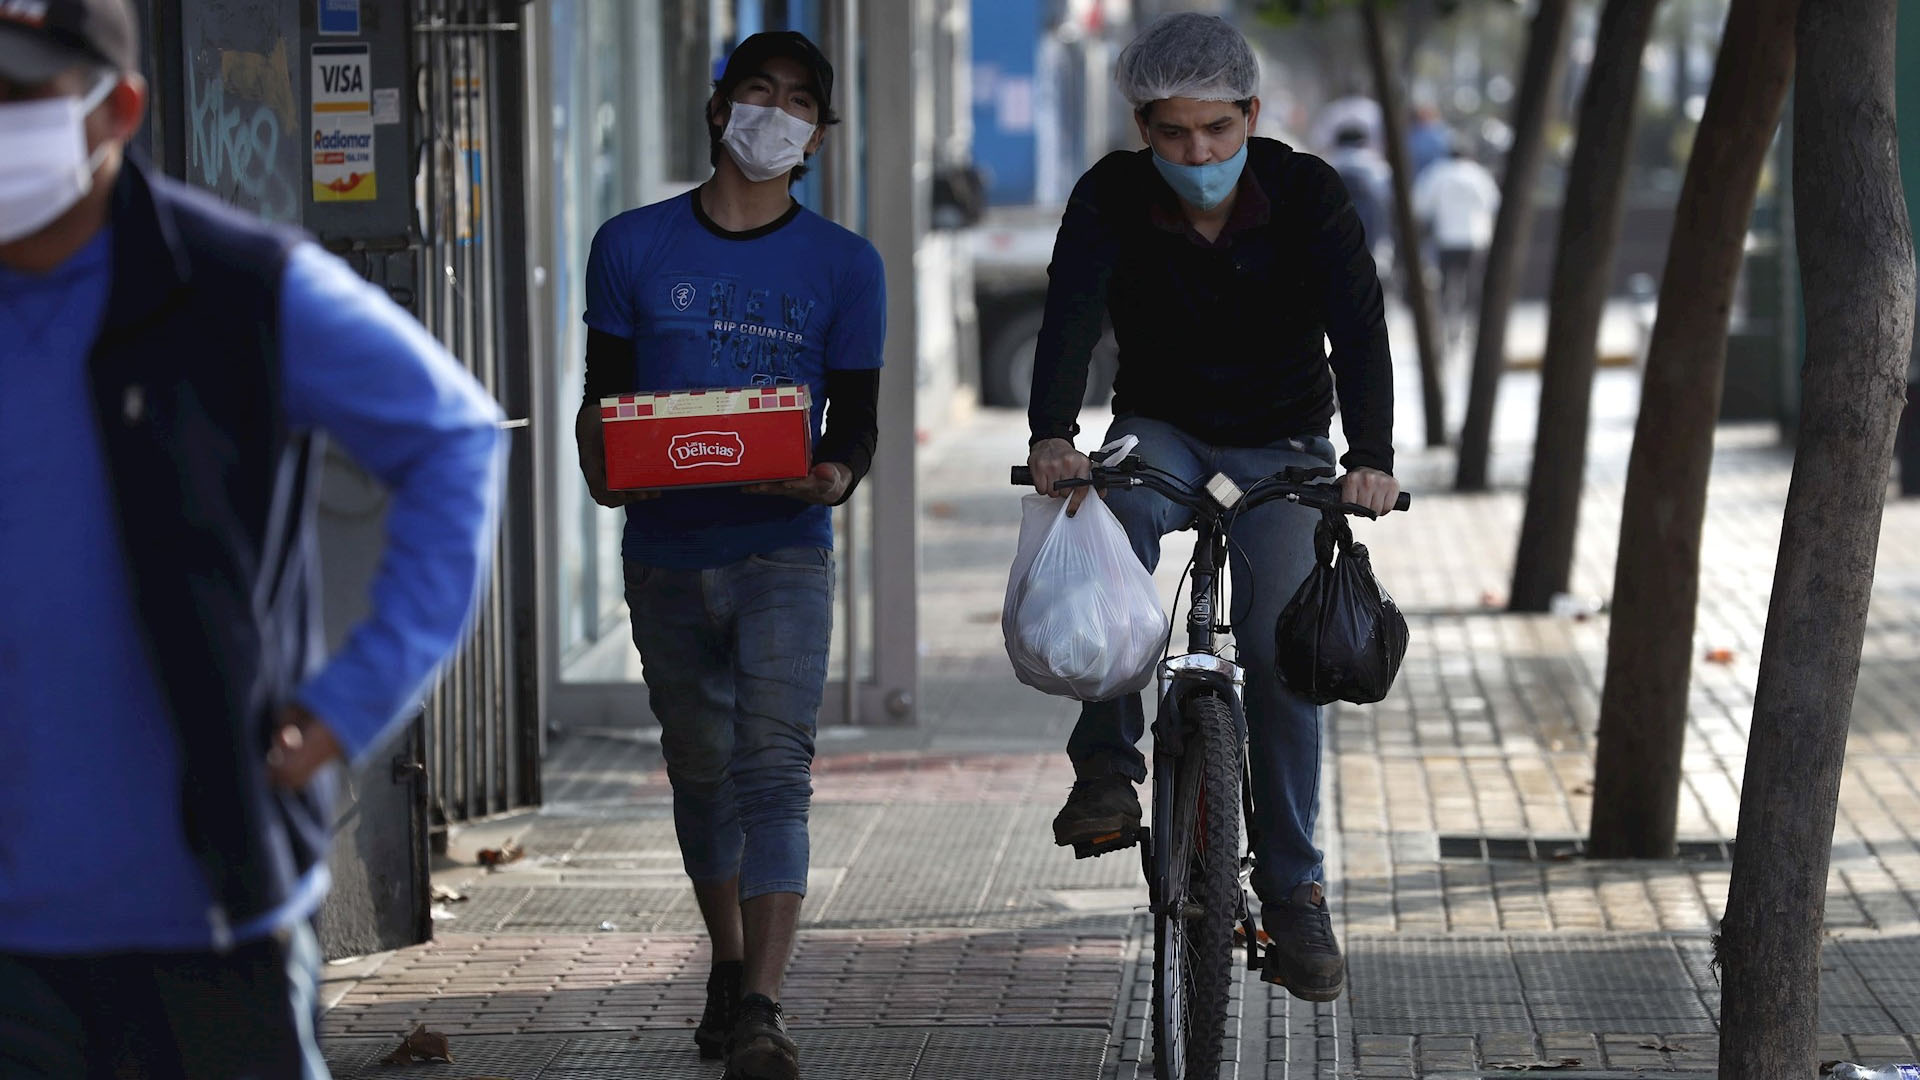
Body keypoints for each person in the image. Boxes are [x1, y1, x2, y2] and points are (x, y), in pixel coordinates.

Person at [0, 0, 506, 1075]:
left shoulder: (234, 287)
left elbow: (455, 440)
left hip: (206, 908)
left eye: (18, 94)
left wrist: (352, 700)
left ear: (118, 108)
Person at [1024, 12, 1399, 1004]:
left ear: (1252, 115)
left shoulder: (1309, 193)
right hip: (1163, 426)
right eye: (1174, 134)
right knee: (1109, 541)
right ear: (1143, 129)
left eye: (1218, 130)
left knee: (1282, 650)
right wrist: (1053, 436)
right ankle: (1106, 768)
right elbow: (1069, 314)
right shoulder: (1110, 194)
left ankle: (1296, 890)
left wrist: (1370, 459)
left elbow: (1360, 328)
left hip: (1285, 441)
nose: (1198, 154)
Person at [573, 29, 883, 1080]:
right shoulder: (630, 244)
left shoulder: (846, 264)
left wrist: (833, 477)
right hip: (665, 549)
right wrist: (602, 466)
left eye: (799, 102)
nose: (775, 114)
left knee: (774, 770)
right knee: (701, 768)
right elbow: (604, 401)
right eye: (759, 92)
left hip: (784, 551)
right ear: (718, 110)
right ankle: (729, 957)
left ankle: (762, 1007)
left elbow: (857, 424)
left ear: (819, 137)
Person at [1412, 138, 1501, 345]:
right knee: (1472, 283)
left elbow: (1421, 205)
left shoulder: (1437, 173)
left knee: (1445, 282)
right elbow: (1493, 203)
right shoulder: (1479, 175)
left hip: (1446, 237)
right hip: (1474, 238)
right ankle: (1470, 325)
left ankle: (1445, 324)